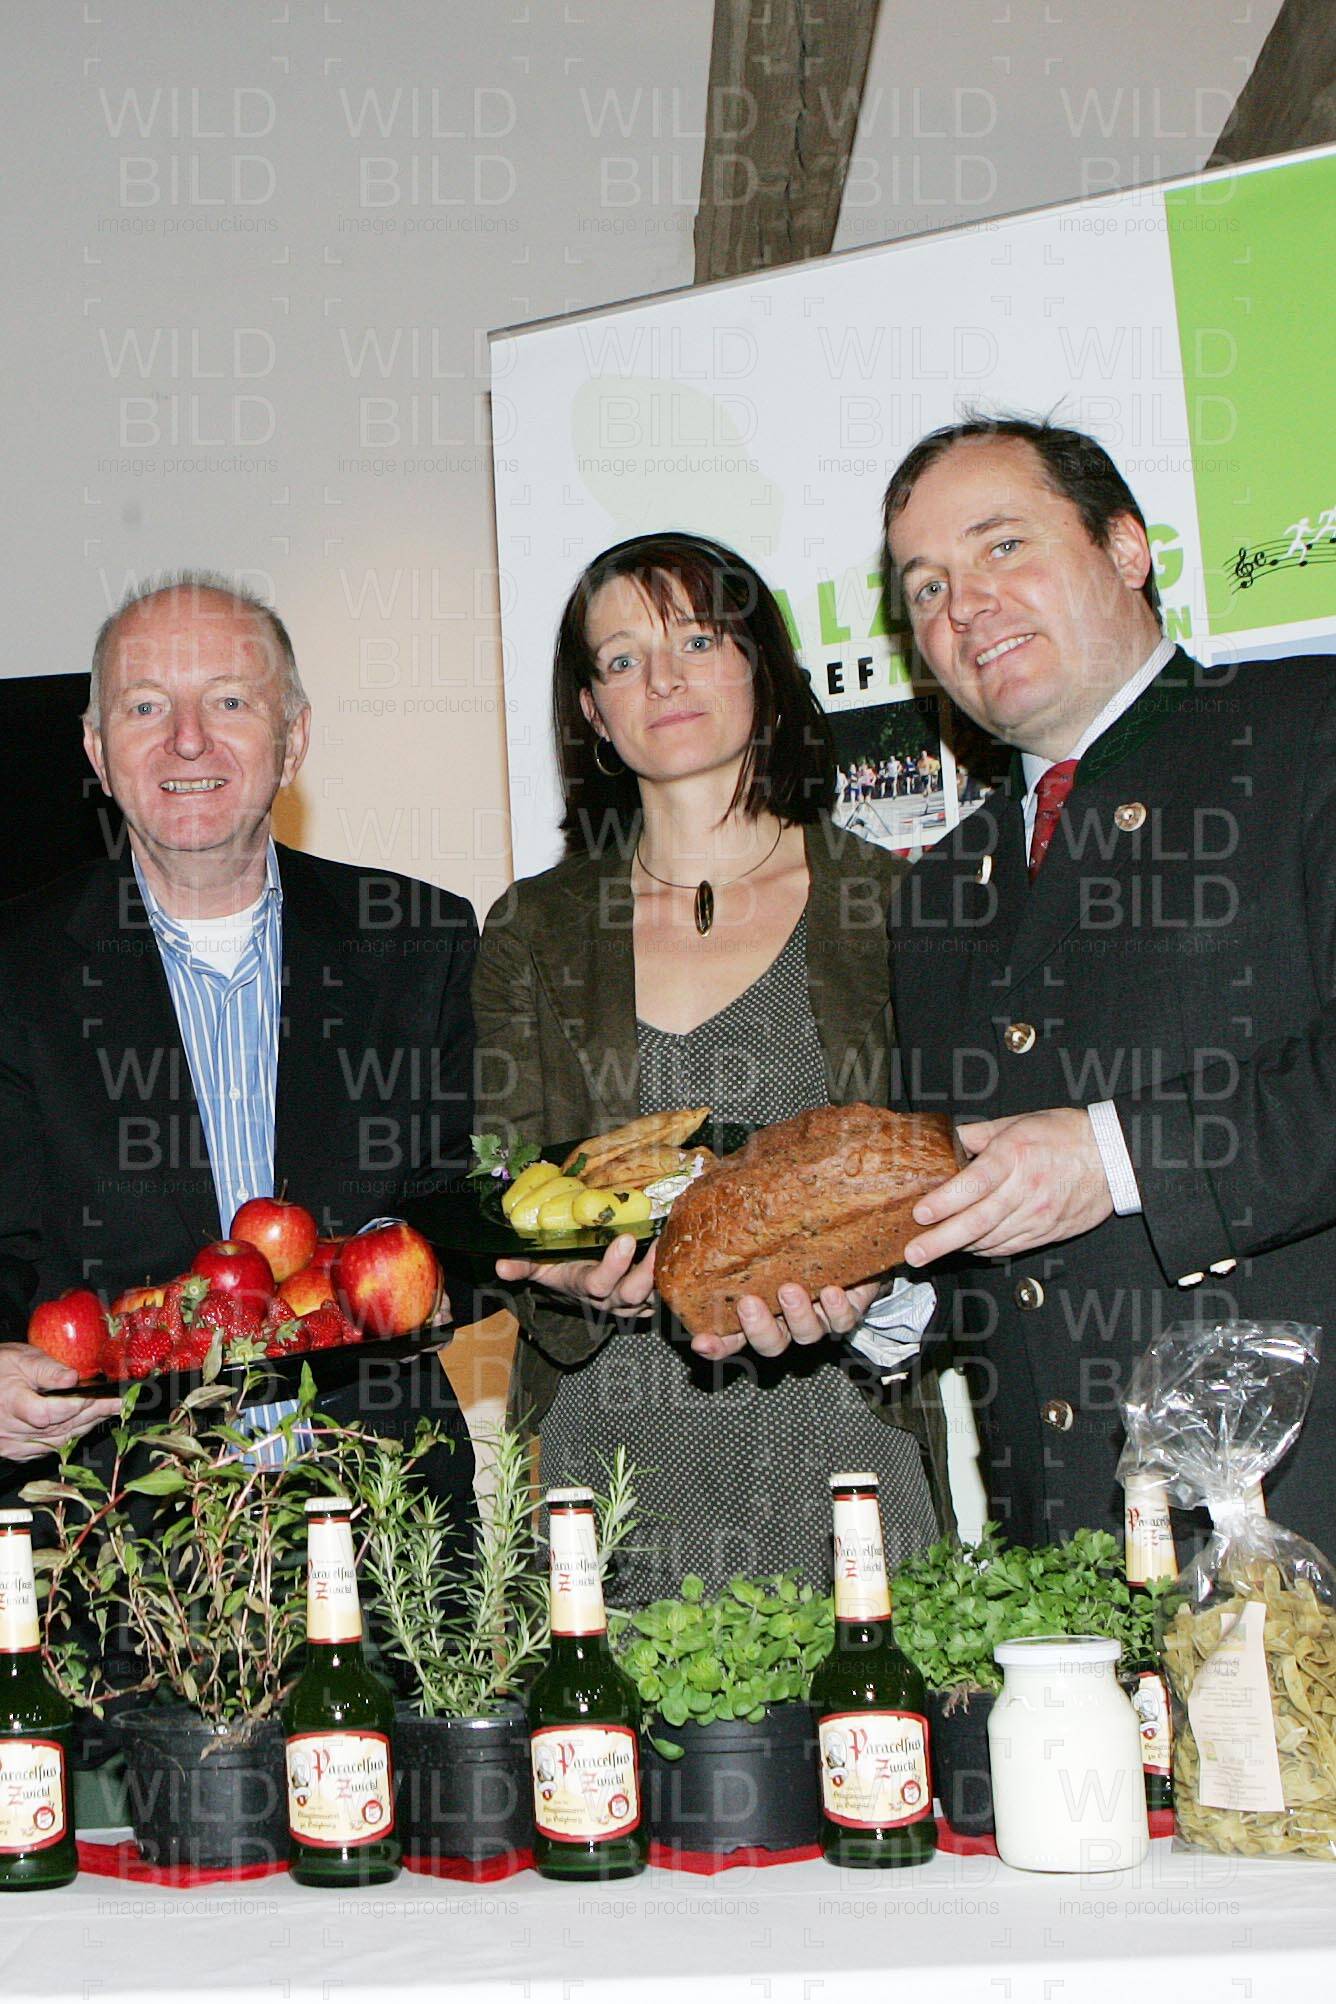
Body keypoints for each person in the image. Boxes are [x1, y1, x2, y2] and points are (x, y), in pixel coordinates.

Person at [738, 415, 1336, 1552]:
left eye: (1003, 546)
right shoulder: (939, 892)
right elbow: (981, 1232)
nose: (964, 606)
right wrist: (876, 1291)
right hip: (1059, 1562)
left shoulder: (1306, 732)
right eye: (926, 588)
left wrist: (1115, 1156)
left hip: (1302, 1528)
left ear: (1126, 547)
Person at [473, 531, 952, 1604]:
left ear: (761, 669)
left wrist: (879, 1293)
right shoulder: (532, 930)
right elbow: (500, 1177)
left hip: (846, 1453)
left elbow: (951, 1180)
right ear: (593, 713)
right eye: (622, 658)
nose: (664, 678)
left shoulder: (895, 904)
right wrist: (560, 1271)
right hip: (608, 1468)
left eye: (696, 639)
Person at [0, 574, 478, 1516]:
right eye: (146, 706)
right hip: (118, 1534)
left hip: (391, 1525)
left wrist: (457, 1280)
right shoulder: (14, 970)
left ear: (293, 740)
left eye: (229, 701)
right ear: (97, 752)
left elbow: (466, 1205)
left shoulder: (417, 939)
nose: (188, 739)